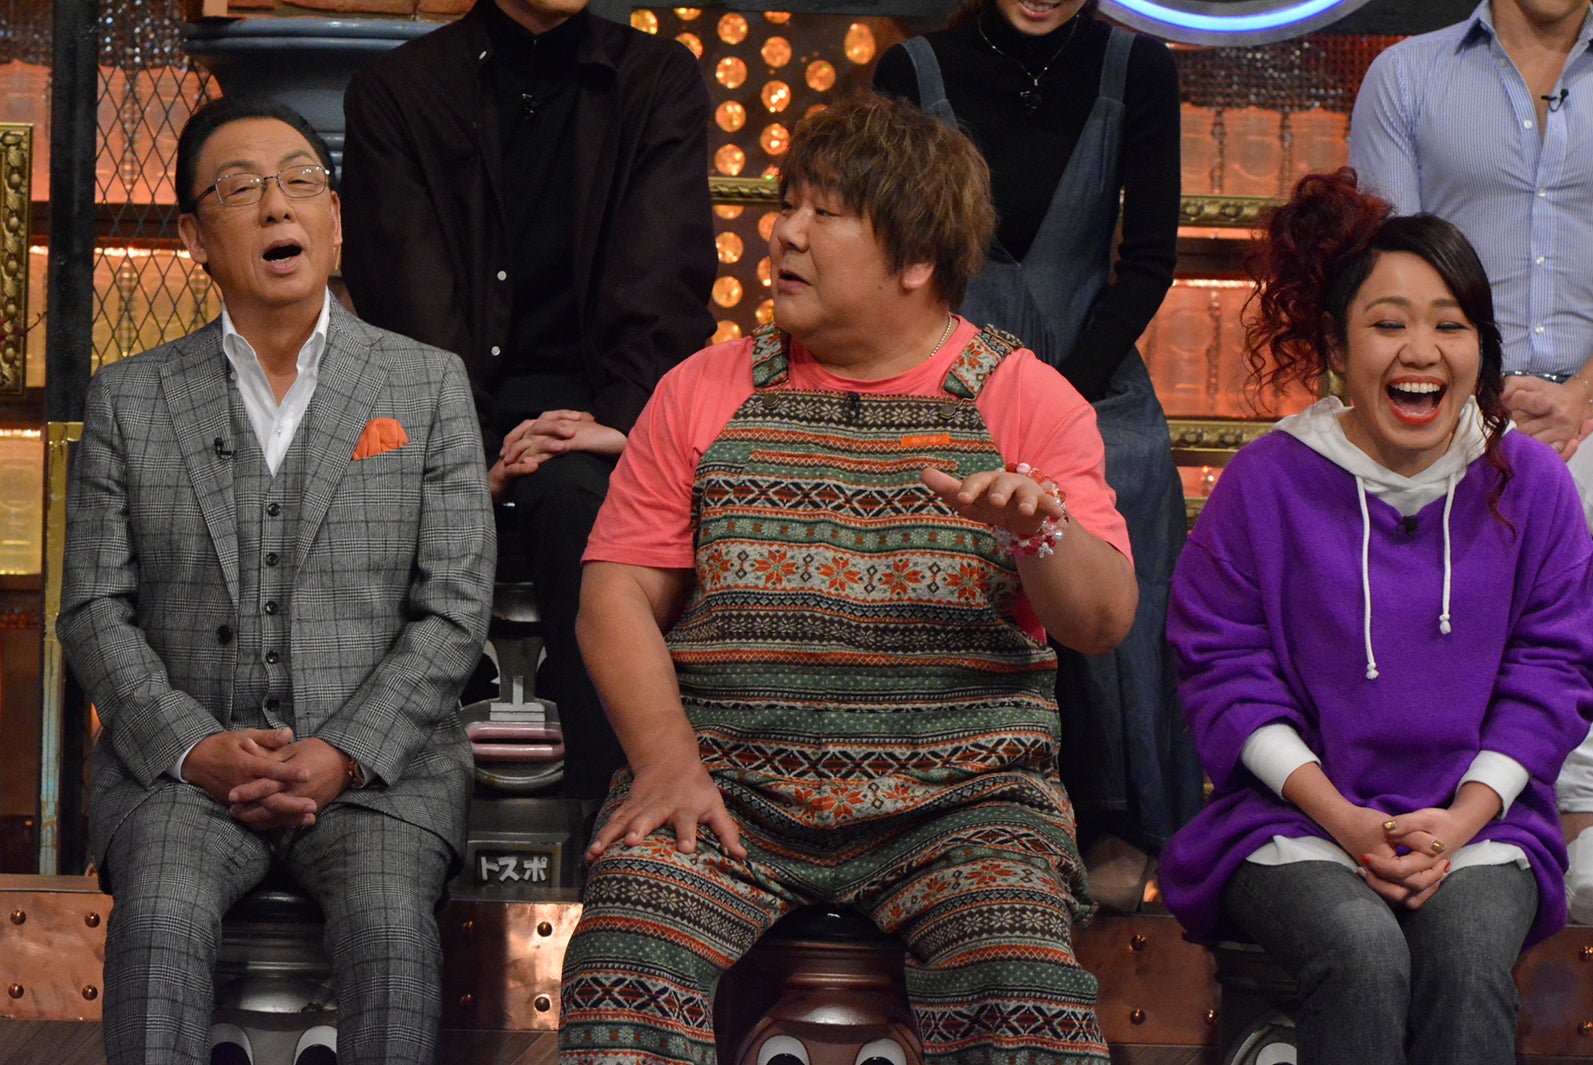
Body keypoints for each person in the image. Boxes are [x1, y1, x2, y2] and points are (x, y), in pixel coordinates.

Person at [559, 95, 1138, 1065]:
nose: (784, 232)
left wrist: (1043, 530)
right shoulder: (704, 389)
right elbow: (613, 596)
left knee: (1022, 977)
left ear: (916, 261)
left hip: (962, 808)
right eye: (786, 205)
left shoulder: (1025, 398)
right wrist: (665, 763)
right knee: (624, 950)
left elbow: (1103, 620)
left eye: (823, 213)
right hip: (732, 791)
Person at [56, 95, 495, 1065]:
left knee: (390, 927)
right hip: (184, 780)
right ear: (193, 237)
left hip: (378, 778)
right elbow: (92, 610)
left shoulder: (426, 385)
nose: (277, 206)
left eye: (301, 182)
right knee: (158, 918)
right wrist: (193, 747)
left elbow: (454, 608)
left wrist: (344, 752)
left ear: (333, 218)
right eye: (242, 188)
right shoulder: (130, 398)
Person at [1158, 169, 1593, 1064]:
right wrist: (1345, 819)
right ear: (1335, 342)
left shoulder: (1533, 485)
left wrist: (1461, 819)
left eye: (1449, 325)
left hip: (1481, 824)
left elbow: (1553, 671)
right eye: (1388, 324)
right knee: (1359, 950)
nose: (1419, 351)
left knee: (1466, 955)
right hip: (1292, 821)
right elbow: (1224, 670)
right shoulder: (1264, 481)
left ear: (1480, 346)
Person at [341, 0, 717, 799]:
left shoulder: (655, 78)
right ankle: (380, 804)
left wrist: (619, 426)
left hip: (601, 413)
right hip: (440, 414)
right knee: (371, 493)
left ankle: (613, 812)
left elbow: (662, 285)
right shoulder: (398, 91)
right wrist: (469, 456)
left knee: (581, 500)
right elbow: (405, 299)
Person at [873, 0, 1199, 892]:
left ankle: (1121, 820)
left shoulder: (1138, 68)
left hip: (1092, 376)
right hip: (945, 377)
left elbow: (1148, 262)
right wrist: (978, 387)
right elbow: (888, 259)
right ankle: (935, 800)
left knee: (1126, 479)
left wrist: (1055, 395)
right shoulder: (913, 71)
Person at [1347, 0, 1593, 925]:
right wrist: (1474, 395)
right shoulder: (1407, 76)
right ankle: (1469, 823)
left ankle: (1573, 830)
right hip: (1443, 398)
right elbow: (1385, 273)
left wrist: (1582, 397)